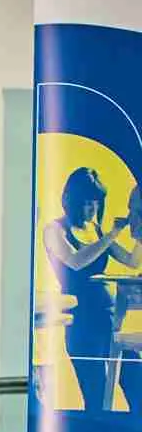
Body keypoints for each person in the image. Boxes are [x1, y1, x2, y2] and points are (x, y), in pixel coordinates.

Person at [43, 166, 142, 412]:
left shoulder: (96, 231)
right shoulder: (54, 230)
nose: (92, 209)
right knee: (96, 394)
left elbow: (132, 261)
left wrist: (139, 231)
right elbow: (75, 261)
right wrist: (111, 235)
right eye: (87, 202)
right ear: (72, 200)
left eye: (96, 202)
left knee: (136, 382)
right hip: (82, 323)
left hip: (110, 319)